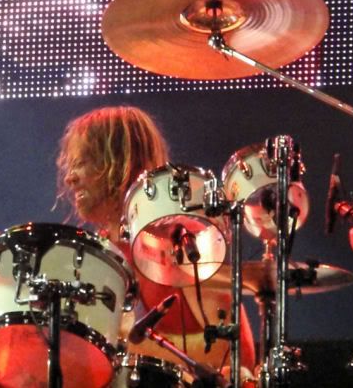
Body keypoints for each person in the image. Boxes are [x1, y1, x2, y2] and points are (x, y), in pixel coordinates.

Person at [56, 105, 255, 382]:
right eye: (70, 165)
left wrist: (124, 350)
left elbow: (239, 359)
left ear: (120, 163)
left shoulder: (183, 246)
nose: (70, 178)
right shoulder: (95, 254)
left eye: (82, 162)